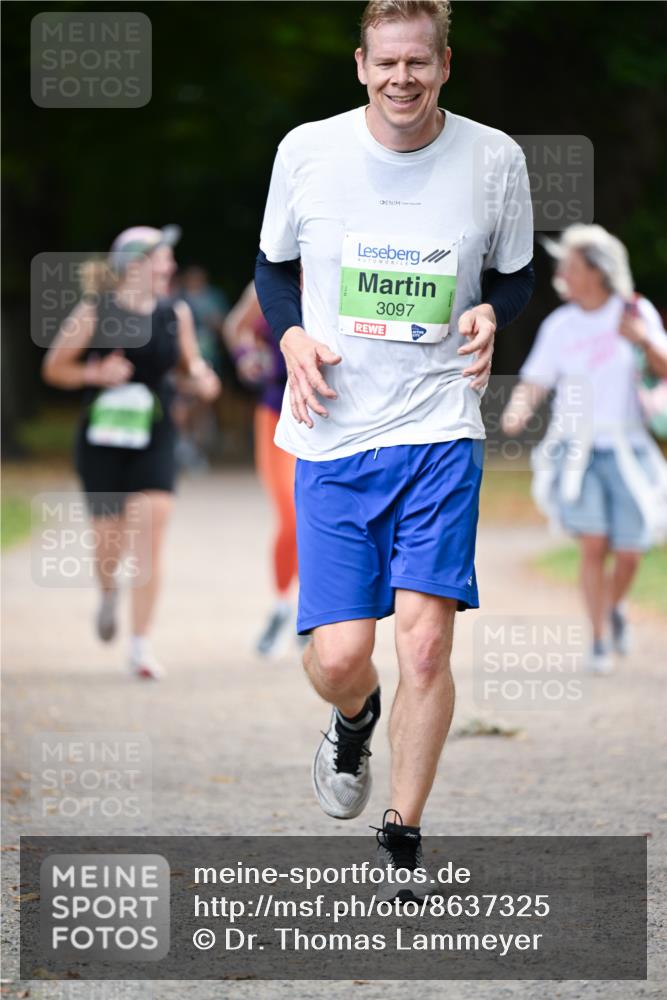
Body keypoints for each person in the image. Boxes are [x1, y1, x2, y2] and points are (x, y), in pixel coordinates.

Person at [255, 0, 534, 895]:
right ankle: (352, 719)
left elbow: (516, 273)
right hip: (334, 428)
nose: (401, 79)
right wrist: (292, 335)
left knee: (422, 646)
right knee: (341, 655)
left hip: (437, 424)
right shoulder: (307, 150)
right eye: (386, 63)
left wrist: (495, 310)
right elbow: (269, 268)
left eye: (418, 62)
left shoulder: (495, 158)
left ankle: (402, 834)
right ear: (359, 65)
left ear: (444, 65)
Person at [42, 226, 221, 679]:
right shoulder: (94, 311)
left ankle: (140, 645)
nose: (171, 267)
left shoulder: (172, 313)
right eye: (163, 258)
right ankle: (107, 592)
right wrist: (95, 373)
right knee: (109, 543)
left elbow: (188, 367)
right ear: (135, 265)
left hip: (155, 433)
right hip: (102, 440)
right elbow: (56, 369)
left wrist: (202, 378)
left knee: (151, 532)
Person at [502, 224, 667, 674]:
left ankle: (613, 607)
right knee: (593, 544)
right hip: (576, 450)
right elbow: (537, 380)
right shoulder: (560, 326)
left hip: (627, 447)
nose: (562, 275)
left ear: (597, 271)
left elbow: (663, 368)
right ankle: (597, 637)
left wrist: (643, 340)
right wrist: (517, 411)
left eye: (570, 266)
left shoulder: (634, 313)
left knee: (631, 551)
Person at [223, 282, 300, 656]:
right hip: (275, 411)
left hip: (330, 418)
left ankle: (313, 612)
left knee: (320, 517)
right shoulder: (269, 282)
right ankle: (283, 607)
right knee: (290, 515)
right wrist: (245, 355)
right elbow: (236, 326)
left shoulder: (341, 275)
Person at [171, 266, 229, 471]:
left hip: (205, 359)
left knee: (200, 406)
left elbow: (223, 326)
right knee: (182, 407)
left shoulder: (209, 299)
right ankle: (185, 448)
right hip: (181, 365)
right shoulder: (180, 301)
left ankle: (195, 447)